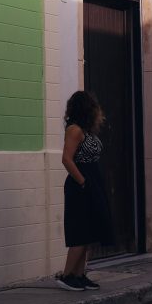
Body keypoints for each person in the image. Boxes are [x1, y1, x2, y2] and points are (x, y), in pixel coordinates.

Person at [58, 90, 114, 291]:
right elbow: (66, 159)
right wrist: (83, 182)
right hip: (80, 184)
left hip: (92, 181)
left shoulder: (86, 130)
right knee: (80, 230)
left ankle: (80, 274)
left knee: (90, 230)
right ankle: (67, 275)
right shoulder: (74, 130)